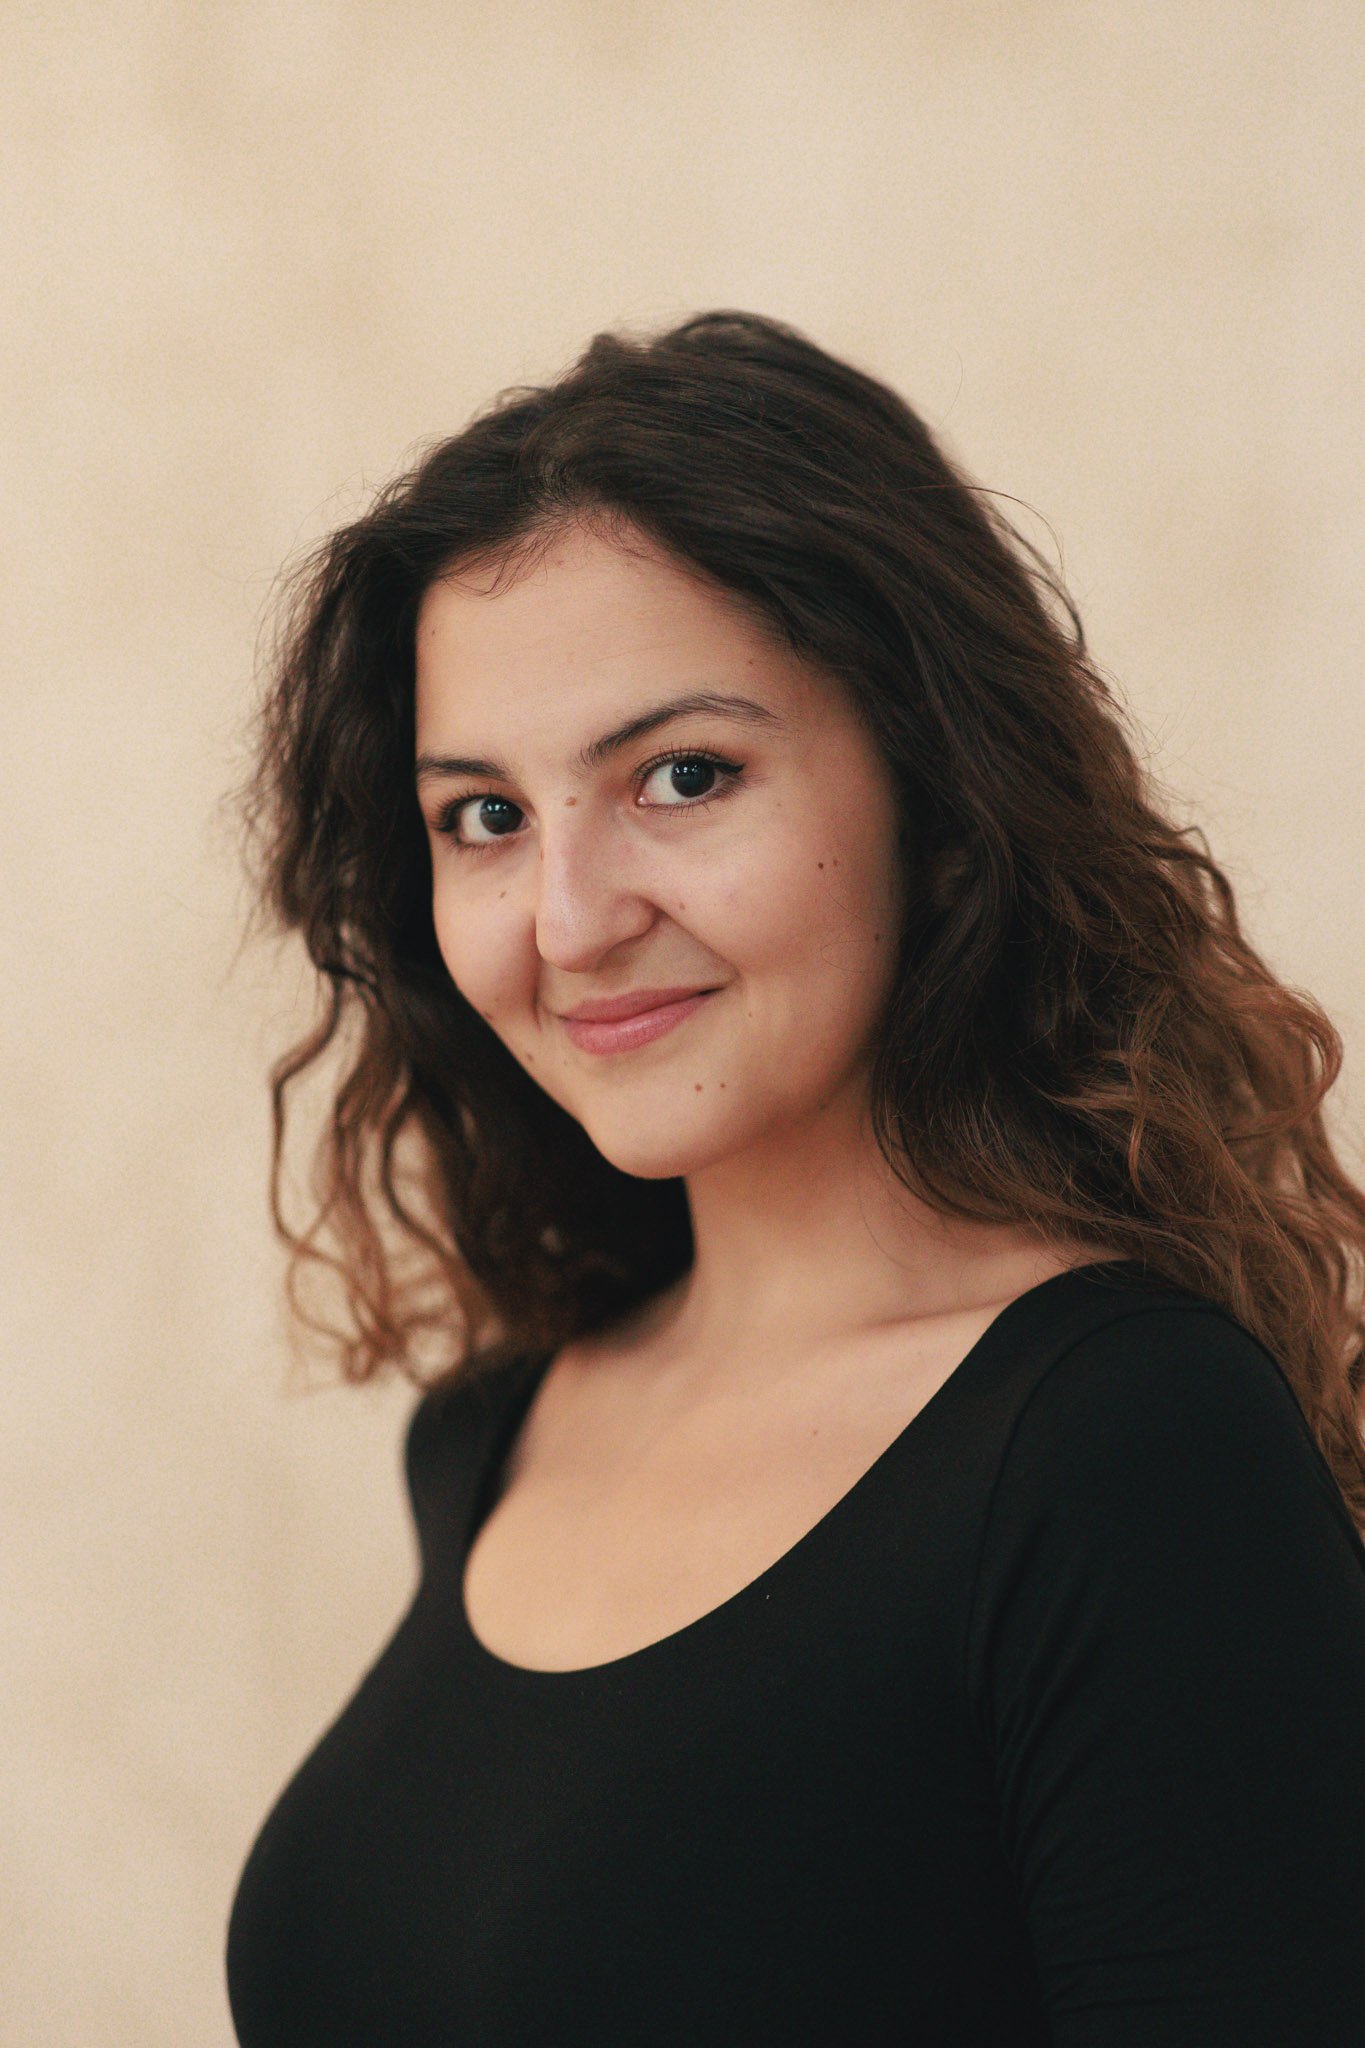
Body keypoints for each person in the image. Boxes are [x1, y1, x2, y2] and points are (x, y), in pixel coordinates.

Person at [224, 310, 1365, 2045]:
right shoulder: (493, 1436)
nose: (570, 919)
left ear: (933, 781)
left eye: (681, 777)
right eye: (484, 816)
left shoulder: (1121, 1445)